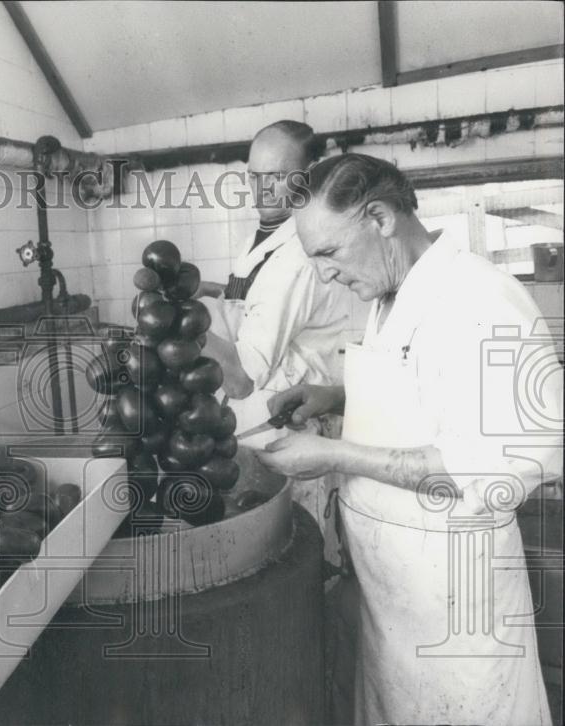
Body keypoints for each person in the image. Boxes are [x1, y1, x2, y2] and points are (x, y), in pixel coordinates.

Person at [258, 153, 561, 725]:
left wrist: (332, 454)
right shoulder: (393, 291)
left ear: (379, 218)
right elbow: (424, 393)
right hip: (394, 591)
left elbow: (482, 465)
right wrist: (335, 395)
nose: (324, 274)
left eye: (328, 252)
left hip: (453, 597)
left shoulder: (480, 302)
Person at [197, 120, 351, 445]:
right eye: (254, 177)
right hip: (264, 411)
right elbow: (256, 298)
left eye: (277, 177)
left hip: (292, 422)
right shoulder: (264, 233)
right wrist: (212, 289)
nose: (262, 190)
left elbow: (241, 379)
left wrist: (178, 325)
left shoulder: (298, 254)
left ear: (308, 174)